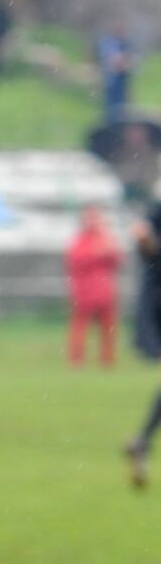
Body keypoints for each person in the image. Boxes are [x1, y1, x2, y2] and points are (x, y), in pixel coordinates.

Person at [125, 203, 161, 487]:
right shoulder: (156, 210)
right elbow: (140, 232)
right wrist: (148, 241)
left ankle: (142, 440)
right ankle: (142, 440)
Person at [66, 205, 121, 368]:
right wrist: (95, 253)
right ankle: (76, 359)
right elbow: (76, 261)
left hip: (104, 292)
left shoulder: (105, 238)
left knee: (108, 327)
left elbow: (116, 259)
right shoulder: (80, 240)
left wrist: (107, 250)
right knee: (80, 326)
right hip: (85, 292)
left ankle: (107, 359)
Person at [96, 20, 137, 126]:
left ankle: (120, 124)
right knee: (111, 105)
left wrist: (125, 63)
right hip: (112, 78)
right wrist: (121, 61)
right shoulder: (108, 42)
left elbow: (131, 60)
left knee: (122, 104)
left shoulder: (126, 43)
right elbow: (111, 59)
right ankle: (111, 125)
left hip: (122, 78)